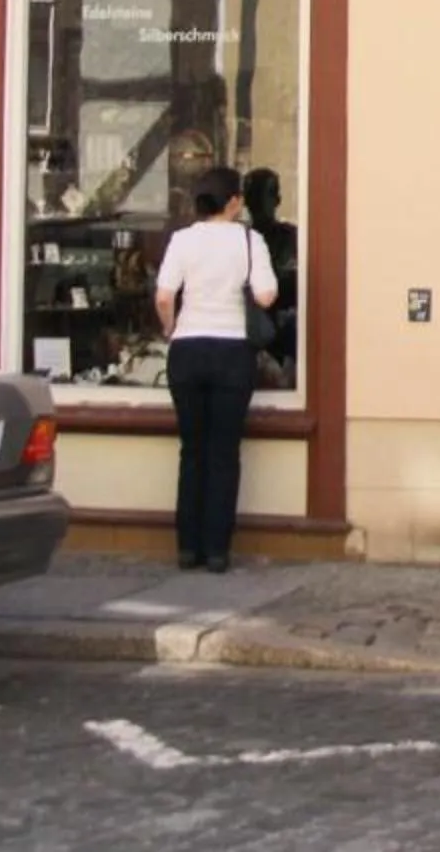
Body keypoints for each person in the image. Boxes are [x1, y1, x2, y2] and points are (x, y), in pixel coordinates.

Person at [154, 164, 278, 574]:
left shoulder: (182, 240)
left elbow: (164, 295)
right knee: (224, 452)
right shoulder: (249, 239)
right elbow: (265, 295)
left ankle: (187, 547)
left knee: (192, 449)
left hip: (187, 350)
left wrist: (172, 329)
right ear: (233, 202)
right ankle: (217, 551)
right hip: (231, 353)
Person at [243, 166, 298, 388]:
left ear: (277, 199)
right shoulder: (239, 239)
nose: (256, 203)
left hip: (284, 335)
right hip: (246, 334)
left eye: (262, 195)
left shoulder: (292, 238)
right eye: (252, 196)